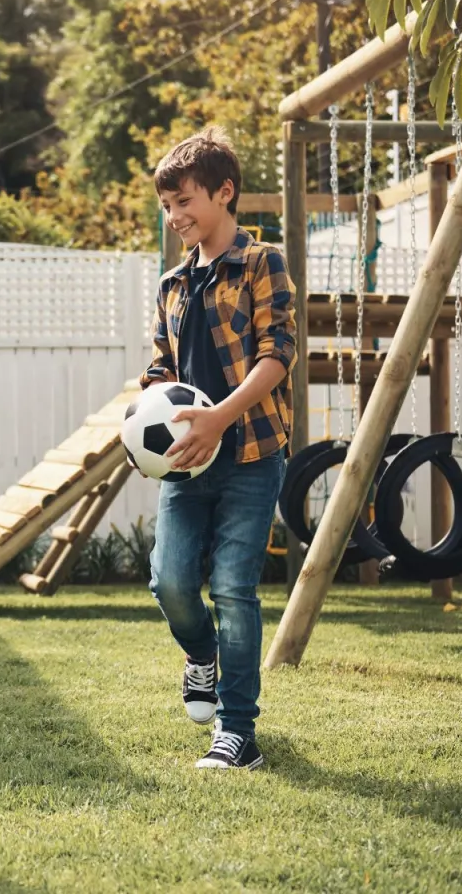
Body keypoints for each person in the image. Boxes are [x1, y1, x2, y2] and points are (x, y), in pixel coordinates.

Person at [140, 126, 297, 770]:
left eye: (184, 202)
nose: (175, 216)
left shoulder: (264, 263)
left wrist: (220, 419)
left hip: (252, 457)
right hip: (185, 463)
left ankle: (238, 732)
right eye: (167, 206)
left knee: (234, 589)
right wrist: (148, 417)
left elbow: (277, 355)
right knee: (170, 582)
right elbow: (158, 370)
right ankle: (200, 655)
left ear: (224, 193)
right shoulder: (172, 286)